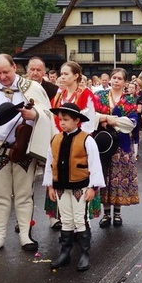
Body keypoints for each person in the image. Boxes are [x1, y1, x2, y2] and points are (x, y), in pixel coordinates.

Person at [0, 54, 53, 254]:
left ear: (14, 67)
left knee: (24, 194)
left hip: (23, 148)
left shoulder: (32, 88)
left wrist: (35, 115)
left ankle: (25, 235)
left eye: (6, 71)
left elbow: (49, 115)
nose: (3, 76)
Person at [44, 103, 105, 271]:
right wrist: (50, 186)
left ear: (77, 120)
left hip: (81, 188)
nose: (62, 122)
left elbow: (95, 164)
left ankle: (85, 253)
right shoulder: (55, 139)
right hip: (61, 188)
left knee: (80, 219)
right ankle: (65, 252)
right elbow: (50, 163)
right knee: (66, 220)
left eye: (66, 119)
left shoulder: (87, 139)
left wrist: (93, 187)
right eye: (60, 119)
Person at [45, 62, 96, 229]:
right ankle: (66, 223)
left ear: (76, 76)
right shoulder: (59, 95)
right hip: (61, 141)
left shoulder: (85, 94)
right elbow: (53, 119)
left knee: (79, 179)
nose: (62, 77)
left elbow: (90, 122)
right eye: (61, 73)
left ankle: (81, 226)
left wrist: (76, 137)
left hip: (79, 141)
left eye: (66, 74)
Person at [95, 68, 139, 227]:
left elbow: (132, 123)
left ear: (125, 82)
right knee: (105, 175)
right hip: (105, 143)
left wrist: (111, 121)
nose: (116, 81)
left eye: (120, 78)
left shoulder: (129, 101)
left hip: (122, 144)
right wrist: (104, 118)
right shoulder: (99, 96)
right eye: (114, 77)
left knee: (119, 177)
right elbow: (92, 115)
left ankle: (118, 212)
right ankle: (106, 213)